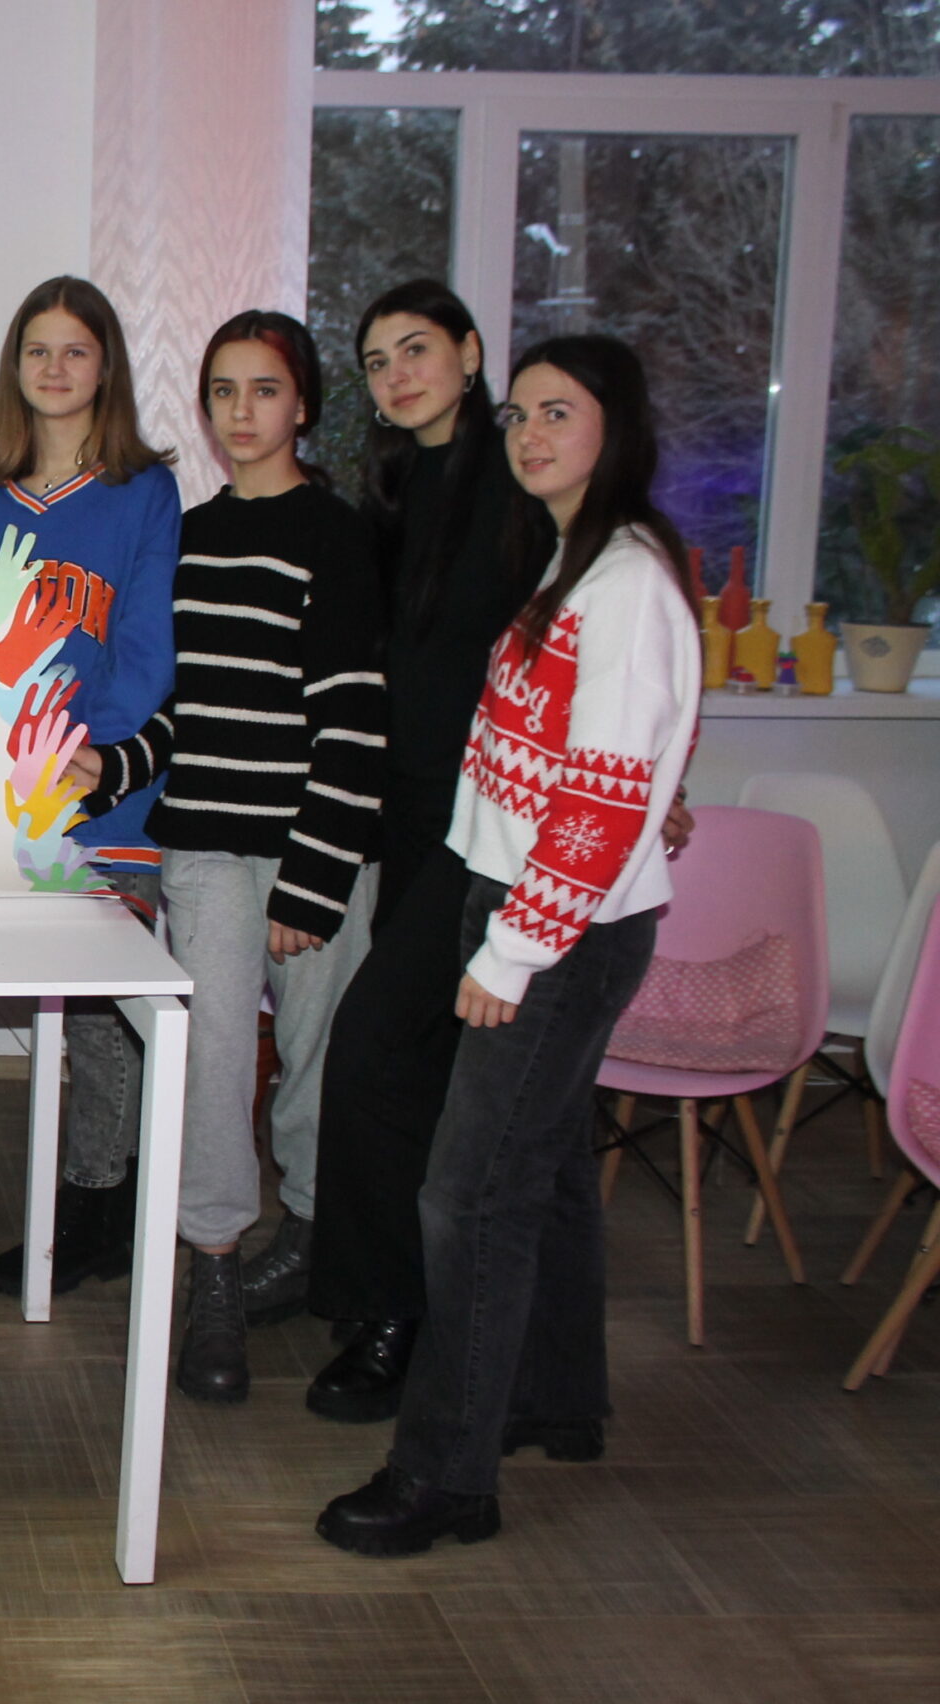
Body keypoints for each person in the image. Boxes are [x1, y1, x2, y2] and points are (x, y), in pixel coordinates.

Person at [318, 334, 702, 1554]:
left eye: (559, 413)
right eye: (521, 415)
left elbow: (602, 797)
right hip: (527, 902)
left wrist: (510, 951)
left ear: (614, 429)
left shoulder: (624, 581)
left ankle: (445, 1477)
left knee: (467, 1194)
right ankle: (552, 1397)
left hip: (557, 928)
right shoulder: (573, 561)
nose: (531, 435)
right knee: (539, 1171)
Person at [49, 312, 386, 1401]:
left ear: (304, 405)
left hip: (311, 856)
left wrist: (315, 880)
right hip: (201, 848)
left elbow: (352, 719)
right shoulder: (189, 536)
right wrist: (111, 766)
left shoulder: (336, 535)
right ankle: (217, 1273)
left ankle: (318, 1240)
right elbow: (179, 710)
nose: (242, 413)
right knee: (208, 1071)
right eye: (224, 393)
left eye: (265, 390)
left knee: (318, 1067)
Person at [298, 280, 534, 1421]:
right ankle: (422, 1311)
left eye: (417, 350)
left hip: (485, 827)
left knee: (370, 1055)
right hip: (405, 817)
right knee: (423, 1078)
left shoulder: (519, 481)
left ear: (471, 354)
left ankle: (389, 1313)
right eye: (377, 361)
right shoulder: (393, 488)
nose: (396, 376)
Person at [0, 277, 181, 1258]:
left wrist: (94, 756)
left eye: (74, 350)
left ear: (105, 367)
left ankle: (95, 1206)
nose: (54, 368)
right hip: (3, 797)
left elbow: (147, 648)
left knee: (98, 1013)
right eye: (36, 350)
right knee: (38, 996)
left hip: (102, 794)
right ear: (14, 367)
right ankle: (93, 1199)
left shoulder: (143, 491)